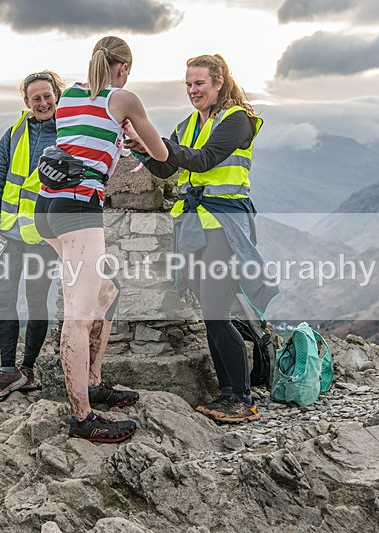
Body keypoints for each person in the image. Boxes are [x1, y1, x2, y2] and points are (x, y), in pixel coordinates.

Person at [125, 54, 278, 424]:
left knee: (216, 311)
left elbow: (205, 159)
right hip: (194, 226)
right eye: (188, 84)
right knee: (212, 314)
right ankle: (228, 393)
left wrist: (156, 140)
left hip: (225, 226)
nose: (193, 90)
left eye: (200, 83)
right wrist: (141, 147)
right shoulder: (188, 124)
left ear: (218, 82)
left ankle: (242, 398)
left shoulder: (237, 119)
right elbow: (167, 168)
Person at [34, 36, 169, 443]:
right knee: (78, 317)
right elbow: (161, 155)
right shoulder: (124, 99)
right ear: (123, 68)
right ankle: (82, 417)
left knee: (106, 293)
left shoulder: (69, 95)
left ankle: (92, 382)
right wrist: (133, 137)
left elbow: (82, 137)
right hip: (78, 209)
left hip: (47, 207)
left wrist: (115, 135)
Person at [0, 70, 65, 401]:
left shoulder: (67, 132)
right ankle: (7, 370)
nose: (42, 103)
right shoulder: (14, 133)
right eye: (35, 98)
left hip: (44, 238)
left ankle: (28, 370)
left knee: (36, 302)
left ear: (57, 95)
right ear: (26, 101)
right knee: (4, 300)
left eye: (47, 96)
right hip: (6, 235)